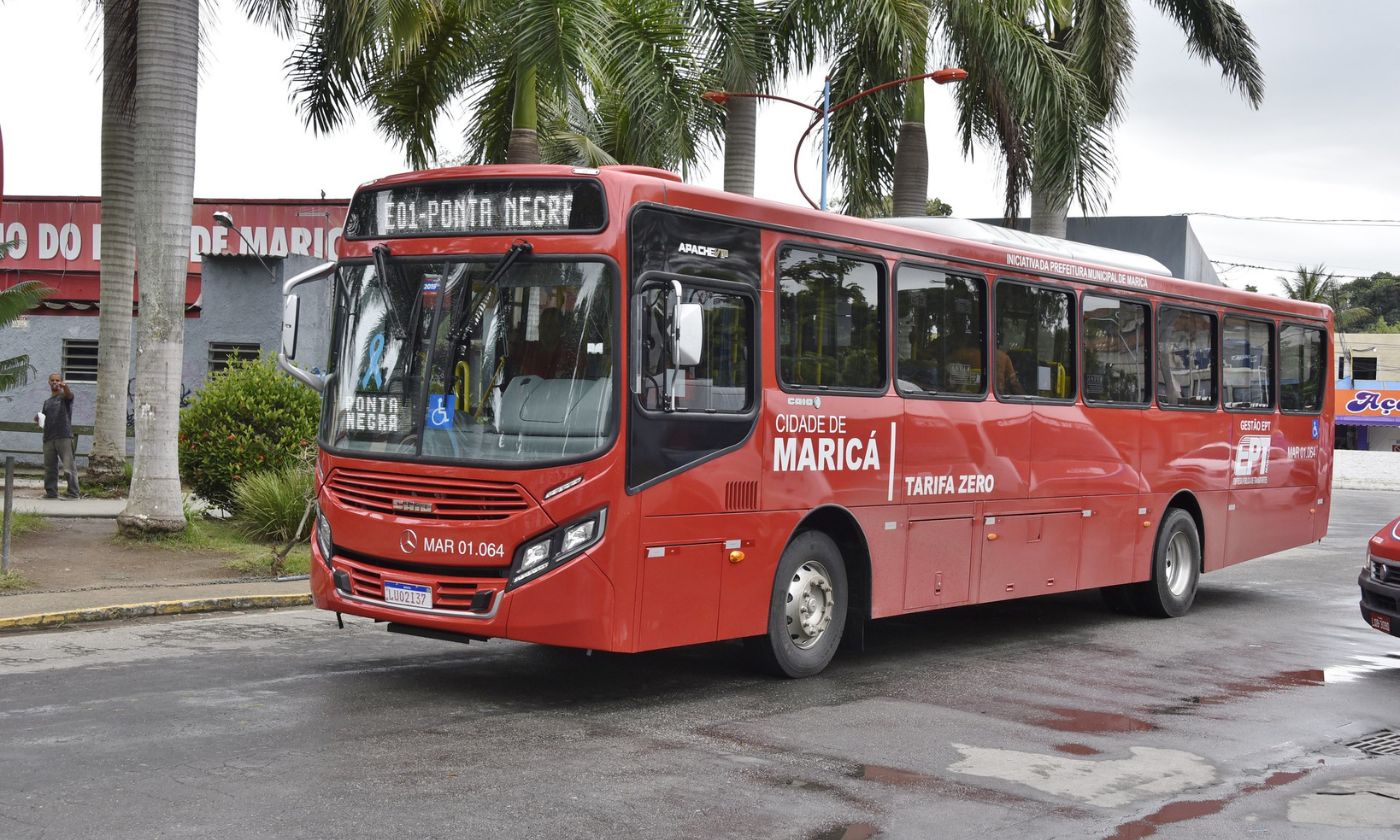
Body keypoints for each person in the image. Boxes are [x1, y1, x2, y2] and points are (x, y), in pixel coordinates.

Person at [36, 373, 79, 499]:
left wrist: (65, 387)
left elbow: (69, 395)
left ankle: (73, 493)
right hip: (48, 438)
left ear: (61, 382)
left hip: (64, 436)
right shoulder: (47, 402)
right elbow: (42, 421)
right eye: (53, 380)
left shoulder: (65, 397)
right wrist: (38, 421)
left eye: (57, 380)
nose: (55, 382)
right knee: (50, 467)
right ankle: (51, 492)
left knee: (68, 466)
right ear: (49, 382)